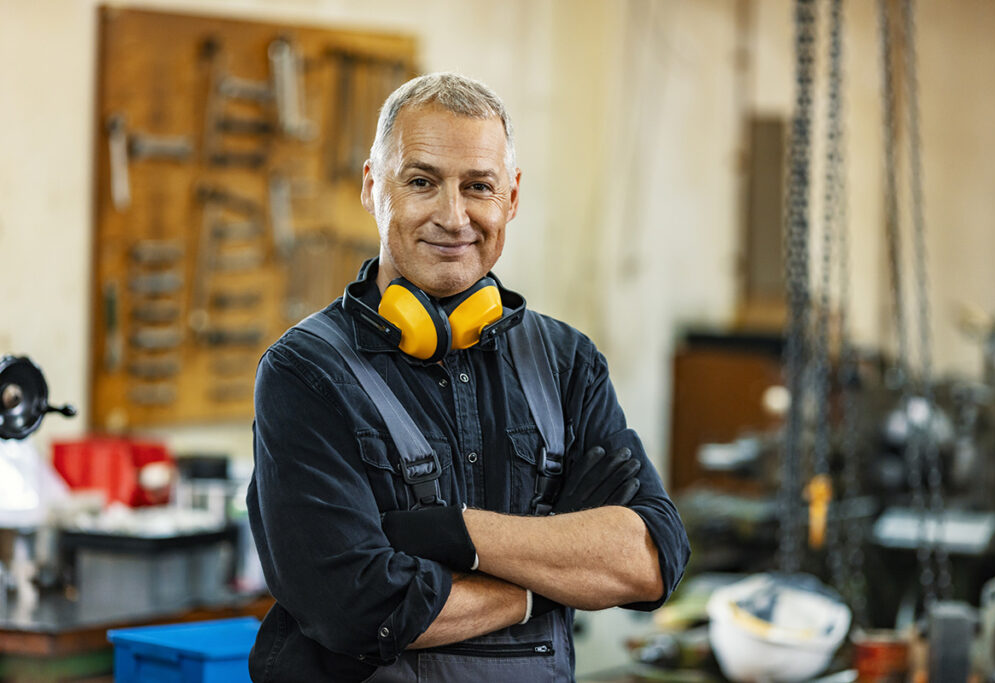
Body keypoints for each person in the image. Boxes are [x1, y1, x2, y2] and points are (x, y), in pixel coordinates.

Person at [247, 72, 689, 682]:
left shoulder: (567, 363)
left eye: (478, 187)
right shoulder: (307, 372)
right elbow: (357, 604)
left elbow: (649, 558)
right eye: (423, 182)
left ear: (511, 197)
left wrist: (453, 533)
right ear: (374, 187)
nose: (454, 217)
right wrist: (547, 586)